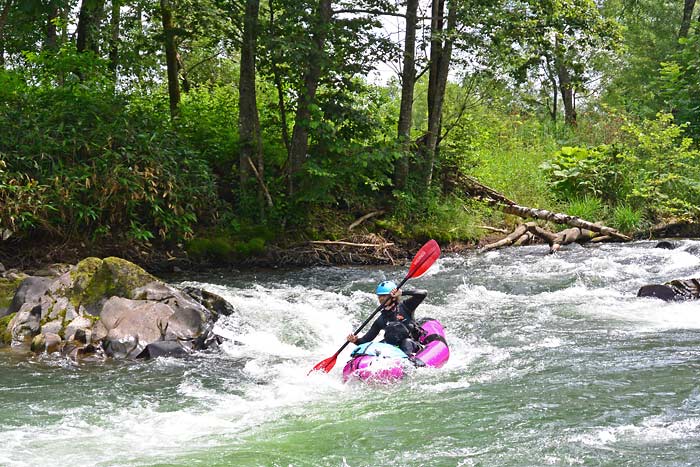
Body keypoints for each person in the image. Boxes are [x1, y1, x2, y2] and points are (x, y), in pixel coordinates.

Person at [347, 280, 427, 355]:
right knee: (376, 346)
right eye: (379, 296)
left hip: (412, 343)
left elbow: (423, 293)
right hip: (393, 347)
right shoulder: (381, 319)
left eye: (384, 296)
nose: (381, 299)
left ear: (393, 296)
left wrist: (402, 293)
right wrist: (355, 340)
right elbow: (365, 340)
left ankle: (408, 363)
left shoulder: (406, 307)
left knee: (406, 342)